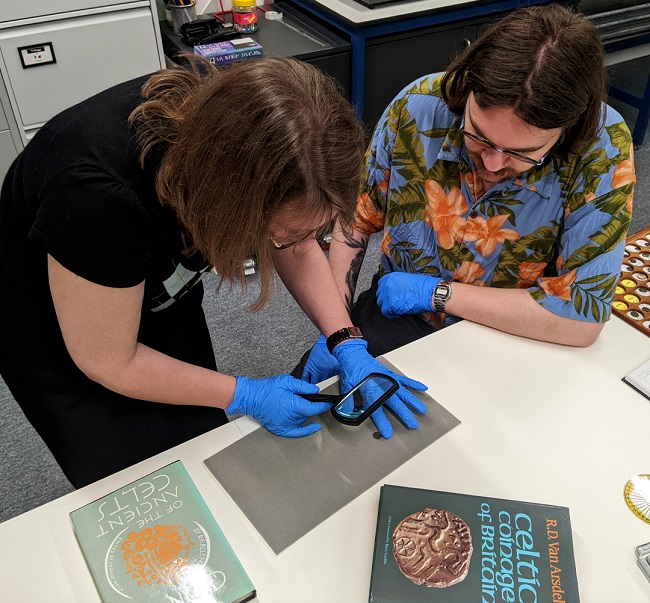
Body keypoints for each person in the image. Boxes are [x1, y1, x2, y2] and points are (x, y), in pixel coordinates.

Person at [0, 57, 428, 489]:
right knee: (137, 478)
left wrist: (346, 341)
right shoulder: (94, 198)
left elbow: (295, 246)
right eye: (281, 234)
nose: (299, 243)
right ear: (229, 199)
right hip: (61, 317)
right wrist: (246, 394)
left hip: (150, 274)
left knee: (200, 434)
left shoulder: (251, 118)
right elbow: (109, 359)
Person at [297, 4, 635, 382]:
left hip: (514, 333)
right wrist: (339, 335)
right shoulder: (419, 109)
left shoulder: (601, 149)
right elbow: (354, 223)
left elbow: (580, 319)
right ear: (468, 87)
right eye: (478, 135)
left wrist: (438, 293)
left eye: (520, 154)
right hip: (399, 311)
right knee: (312, 404)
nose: (491, 164)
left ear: (566, 131)